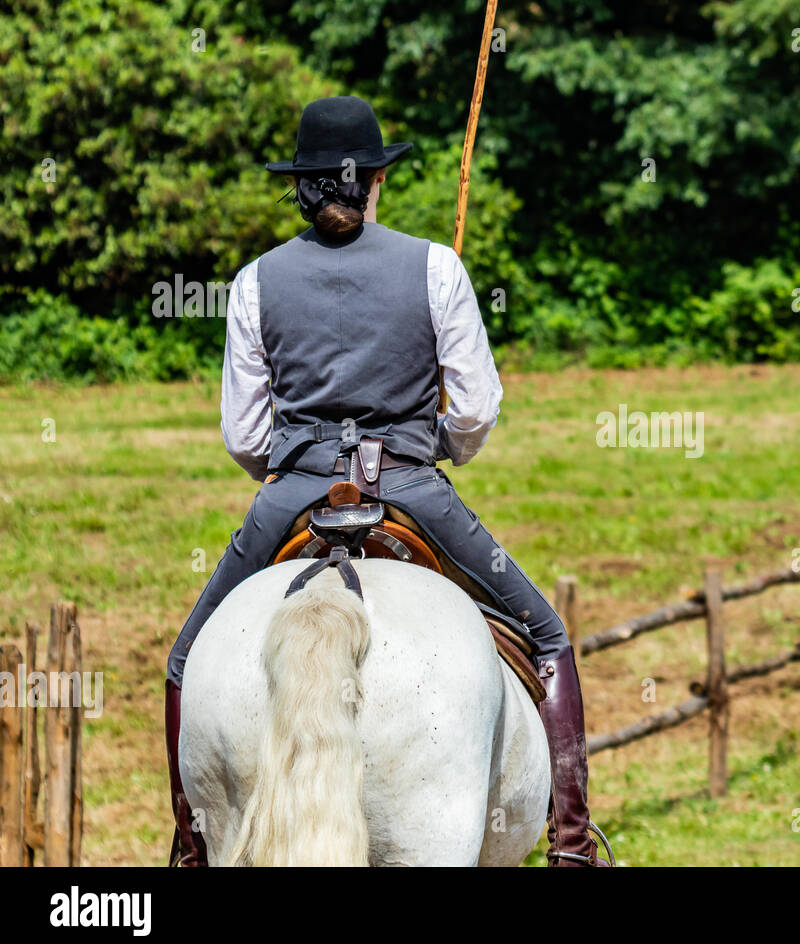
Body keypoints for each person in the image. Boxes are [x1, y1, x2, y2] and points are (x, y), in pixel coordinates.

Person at [164, 95, 608, 867]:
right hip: (412, 488)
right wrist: (423, 441)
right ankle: (575, 848)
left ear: (302, 186)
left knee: (186, 657)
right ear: (374, 182)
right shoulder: (436, 267)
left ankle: (190, 847)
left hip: (291, 494)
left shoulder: (256, 281)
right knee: (547, 635)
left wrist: (298, 461)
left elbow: (244, 435)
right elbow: (473, 416)